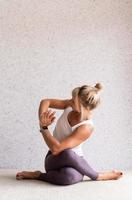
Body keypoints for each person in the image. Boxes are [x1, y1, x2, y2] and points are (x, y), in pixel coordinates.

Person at [16, 83, 123, 185]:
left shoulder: (86, 127)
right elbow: (45, 102)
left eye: (74, 101)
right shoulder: (71, 105)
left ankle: (38, 175)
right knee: (68, 153)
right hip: (54, 159)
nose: (71, 101)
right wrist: (43, 120)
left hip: (76, 163)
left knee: (69, 177)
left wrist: (44, 127)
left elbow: (57, 147)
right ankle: (98, 176)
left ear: (82, 106)